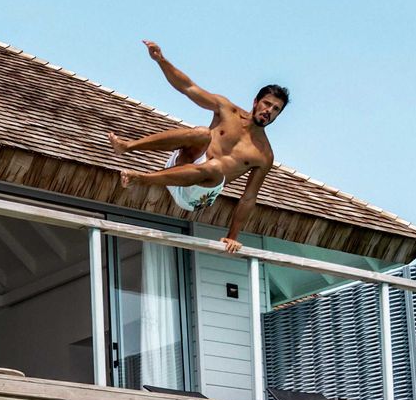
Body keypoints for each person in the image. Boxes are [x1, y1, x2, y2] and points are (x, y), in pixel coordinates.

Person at [109, 41, 289, 254]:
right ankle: (128, 146)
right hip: (180, 166)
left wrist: (232, 237)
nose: (269, 111)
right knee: (202, 133)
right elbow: (188, 87)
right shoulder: (226, 110)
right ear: (256, 101)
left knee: (215, 168)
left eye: (276, 109)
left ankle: (144, 178)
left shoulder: (264, 155)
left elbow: (248, 197)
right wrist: (161, 60)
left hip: (197, 196)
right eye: (267, 104)